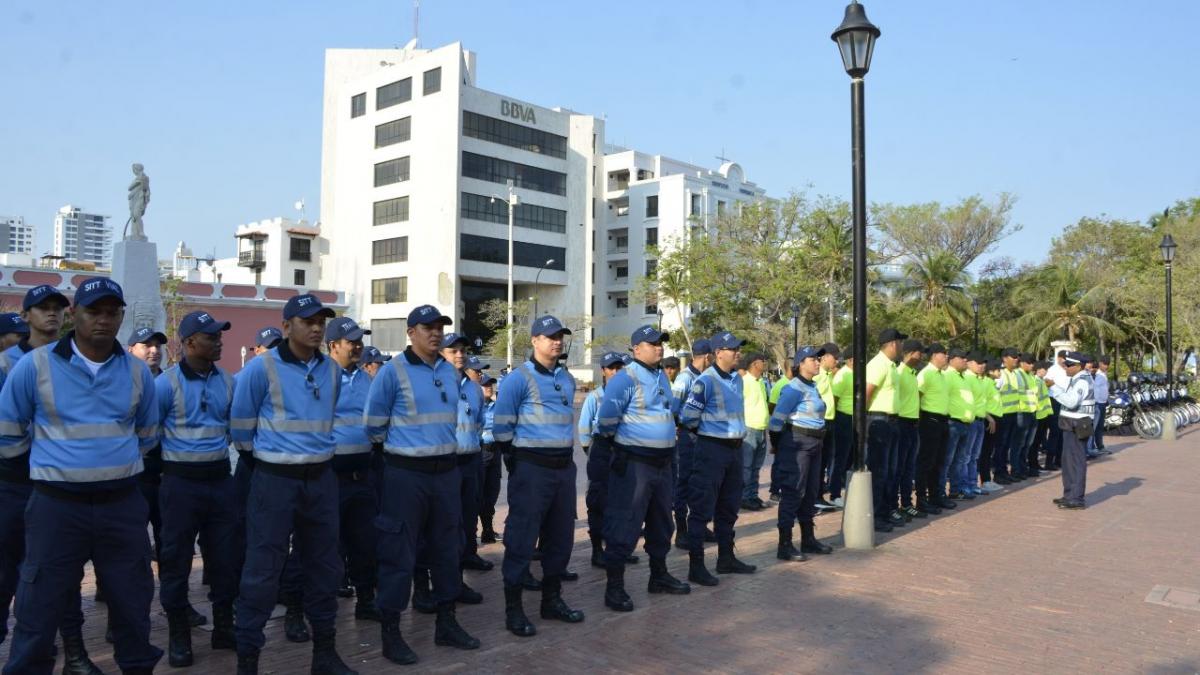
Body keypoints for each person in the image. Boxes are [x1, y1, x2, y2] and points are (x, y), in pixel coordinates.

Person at [0, 277, 162, 675]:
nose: (103, 320)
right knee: (38, 612)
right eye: (94, 311)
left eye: (112, 312)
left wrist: (107, 467)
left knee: (132, 607)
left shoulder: (138, 373)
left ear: (122, 316)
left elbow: (147, 434)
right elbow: (8, 432)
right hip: (56, 507)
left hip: (121, 507)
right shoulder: (35, 367)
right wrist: (53, 471)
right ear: (76, 315)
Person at [230, 293, 356, 675]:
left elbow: (327, 417)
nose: (316, 327)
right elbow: (241, 429)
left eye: (321, 321)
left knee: (324, 567)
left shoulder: (331, 371)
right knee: (262, 569)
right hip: (274, 481)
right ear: (287, 326)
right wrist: (273, 462)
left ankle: (325, 654)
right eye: (307, 321)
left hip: (320, 481)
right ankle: (248, 659)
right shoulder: (260, 369)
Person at [365, 305, 480, 664]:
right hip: (406, 474)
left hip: (446, 473)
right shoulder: (392, 372)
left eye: (440, 327)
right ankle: (391, 633)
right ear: (410, 332)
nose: (435, 333)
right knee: (398, 553)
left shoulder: (448, 371)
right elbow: (374, 425)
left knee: (448, 547)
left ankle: (446, 623)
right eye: (427, 327)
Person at [0, 285, 105, 674]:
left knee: (62, 571)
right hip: (15, 481)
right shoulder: (8, 364)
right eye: (42, 308)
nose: (52, 314)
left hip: (60, 486)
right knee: (11, 573)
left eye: (58, 308)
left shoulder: (72, 361)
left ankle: (74, 652)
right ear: (25, 316)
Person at [492, 315, 586, 637]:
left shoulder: (566, 378)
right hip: (532, 469)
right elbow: (501, 428)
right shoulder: (518, 379)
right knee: (521, 538)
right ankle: (513, 609)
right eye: (549, 337)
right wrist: (516, 460)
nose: (556, 342)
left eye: (560, 336)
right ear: (534, 341)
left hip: (563, 469)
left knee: (560, 539)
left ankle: (552, 599)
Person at [155, 311, 239, 667]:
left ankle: (224, 626)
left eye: (219, 335)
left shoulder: (228, 381)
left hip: (220, 480)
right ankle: (179, 634)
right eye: (211, 337)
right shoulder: (166, 384)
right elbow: (149, 433)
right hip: (180, 483)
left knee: (226, 558)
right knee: (175, 560)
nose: (219, 341)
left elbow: (234, 429)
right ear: (189, 342)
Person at [597, 325, 690, 611]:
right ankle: (614, 587)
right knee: (625, 524)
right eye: (652, 343)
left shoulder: (660, 374)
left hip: (663, 464)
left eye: (661, 342)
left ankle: (658, 575)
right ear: (636, 348)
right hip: (635, 464)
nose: (659, 347)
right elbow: (606, 424)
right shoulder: (624, 379)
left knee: (662, 522)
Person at [681, 331, 756, 586]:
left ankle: (726, 558)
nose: (738, 353)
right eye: (733, 349)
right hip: (712, 449)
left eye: (738, 348)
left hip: (734, 449)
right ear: (718, 353)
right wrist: (706, 438)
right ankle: (696, 565)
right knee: (702, 508)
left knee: (729, 506)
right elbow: (688, 417)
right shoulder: (705, 381)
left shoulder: (737, 379)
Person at [324, 317, 381, 622]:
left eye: (360, 340)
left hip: (363, 474)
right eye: (352, 341)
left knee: (364, 543)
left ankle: (366, 600)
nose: (359, 346)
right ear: (333, 345)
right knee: (323, 545)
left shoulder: (366, 379)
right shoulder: (319, 376)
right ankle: (306, 607)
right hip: (329, 477)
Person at [769, 345, 835, 562]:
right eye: (813, 359)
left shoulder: (812, 386)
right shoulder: (793, 388)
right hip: (797, 443)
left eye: (818, 359)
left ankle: (808, 538)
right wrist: (780, 448)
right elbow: (776, 422)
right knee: (793, 491)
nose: (817, 362)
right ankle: (784, 544)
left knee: (810, 491)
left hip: (815, 442)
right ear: (800, 364)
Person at [579, 352, 627, 567]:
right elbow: (584, 429)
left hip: (623, 450)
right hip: (601, 450)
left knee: (621, 502)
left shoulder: (629, 393)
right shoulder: (595, 397)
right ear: (604, 371)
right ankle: (597, 550)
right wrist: (593, 453)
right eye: (611, 368)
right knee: (598, 502)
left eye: (619, 367)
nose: (616, 372)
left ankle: (617, 548)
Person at [670, 340, 712, 548]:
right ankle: (682, 531)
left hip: (703, 437)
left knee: (701, 484)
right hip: (688, 438)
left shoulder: (704, 377)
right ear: (706, 356)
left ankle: (700, 525)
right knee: (684, 484)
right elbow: (674, 409)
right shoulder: (684, 378)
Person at [866, 329, 907, 531]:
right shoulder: (878, 364)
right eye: (900, 342)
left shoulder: (891, 366)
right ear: (892, 344)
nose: (902, 347)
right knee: (879, 471)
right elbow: (865, 393)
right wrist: (863, 425)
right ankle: (874, 516)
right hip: (879, 421)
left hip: (891, 421)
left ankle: (885, 511)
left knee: (890, 470)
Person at [1047, 352, 1093, 509]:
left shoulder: (1081, 381)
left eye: (1069, 365)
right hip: (1071, 425)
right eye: (1065, 364)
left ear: (1078, 366)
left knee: (1075, 462)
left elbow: (1071, 401)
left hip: (1077, 425)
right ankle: (1069, 495)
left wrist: (1053, 387)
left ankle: (1076, 498)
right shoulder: (1077, 379)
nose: (1065, 367)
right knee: (1068, 462)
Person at [892, 339, 924, 519]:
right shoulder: (899, 372)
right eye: (919, 353)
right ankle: (894, 504)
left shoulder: (912, 373)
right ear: (911, 353)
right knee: (899, 467)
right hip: (902, 422)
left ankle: (906, 502)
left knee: (909, 467)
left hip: (913, 424)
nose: (921, 357)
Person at [944, 349, 976, 501]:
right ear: (952, 359)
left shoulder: (962, 377)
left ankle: (955, 490)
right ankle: (941, 492)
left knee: (959, 460)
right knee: (947, 460)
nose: (965, 360)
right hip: (953, 423)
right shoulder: (948, 375)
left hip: (965, 424)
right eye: (962, 357)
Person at [739, 353, 770, 511]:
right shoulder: (744, 382)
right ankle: (744, 497)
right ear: (754, 364)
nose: (764, 364)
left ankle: (752, 494)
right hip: (749, 428)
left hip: (761, 428)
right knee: (747, 466)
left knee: (757, 466)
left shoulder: (761, 382)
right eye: (762, 361)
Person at [813, 343, 840, 510]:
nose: (836, 361)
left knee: (824, 462)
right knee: (819, 462)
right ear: (824, 357)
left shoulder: (828, 375)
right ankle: (814, 497)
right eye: (834, 357)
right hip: (821, 423)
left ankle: (819, 495)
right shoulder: (818, 376)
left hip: (830, 422)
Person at [828, 351, 856, 508]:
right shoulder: (842, 375)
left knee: (851, 458)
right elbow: (835, 399)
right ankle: (834, 493)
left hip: (854, 419)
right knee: (840, 457)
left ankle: (846, 489)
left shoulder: (855, 374)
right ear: (851, 359)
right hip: (843, 418)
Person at [963, 353, 993, 495]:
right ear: (969, 363)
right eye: (978, 362)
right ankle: (965, 486)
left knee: (974, 456)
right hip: (971, 421)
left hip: (980, 421)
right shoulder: (967, 378)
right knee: (967, 456)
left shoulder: (978, 379)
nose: (982, 366)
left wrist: (988, 417)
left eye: (983, 363)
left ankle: (972, 485)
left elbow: (980, 402)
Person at [993, 347, 1024, 484]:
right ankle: (998, 473)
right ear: (1005, 358)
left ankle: (1004, 471)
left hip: (1012, 413)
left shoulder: (1015, 373)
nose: (1016, 359)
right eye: (1013, 357)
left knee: (1006, 446)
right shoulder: (1000, 373)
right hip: (1002, 414)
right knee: (1000, 445)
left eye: (1017, 356)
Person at [478, 374, 501, 544]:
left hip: (495, 452)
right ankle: (472, 532)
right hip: (480, 451)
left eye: (490, 385)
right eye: (485, 385)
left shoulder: (496, 406)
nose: (489, 387)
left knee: (492, 491)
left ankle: (488, 529)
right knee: (478, 492)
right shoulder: (475, 406)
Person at [978, 360, 1005, 493]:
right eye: (997, 370)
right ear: (990, 371)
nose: (999, 372)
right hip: (989, 420)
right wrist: (989, 418)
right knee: (985, 451)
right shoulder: (986, 383)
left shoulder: (992, 383)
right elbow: (981, 402)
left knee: (989, 451)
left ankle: (988, 479)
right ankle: (985, 480)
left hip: (996, 418)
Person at [1043, 351, 1068, 470]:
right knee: (1054, 433)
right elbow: (1046, 382)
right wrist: (1054, 386)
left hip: (1064, 401)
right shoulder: (1053, 370)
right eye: (1063, 359)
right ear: (1058, 358)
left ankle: (1059, 459)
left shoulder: (1067, 369)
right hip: (1054, 401)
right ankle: (1049, 461)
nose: (1065, 361)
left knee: (1062, 433)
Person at [1090, 356, 1111, 456]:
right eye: (1104, 364)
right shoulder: (1096, 375)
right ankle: (1091, 448)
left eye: (1107, 364)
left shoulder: (1103, 374)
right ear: (1100, 363)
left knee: (1100, 427)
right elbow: (1094, 389)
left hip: (1103, 403)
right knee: (1094, 427)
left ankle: (1100, 446)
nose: (1106, 366)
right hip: (1097, 404)